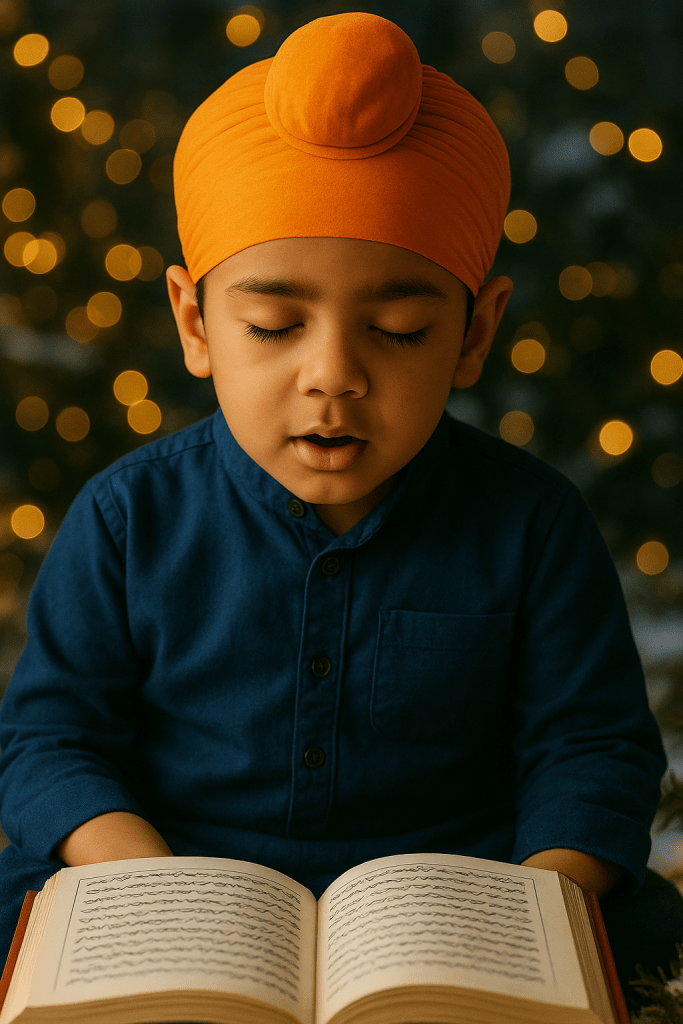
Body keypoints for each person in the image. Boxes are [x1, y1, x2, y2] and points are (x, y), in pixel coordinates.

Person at [0, 11, 681, 1013]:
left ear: (471, 332)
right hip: (171, 891)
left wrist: (536, 908)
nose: (331, 377)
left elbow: (592, 745)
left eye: (398, 331)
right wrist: (143, 879)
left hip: (453, 909)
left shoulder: (530, 523)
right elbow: (49, 736)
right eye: (274, 326)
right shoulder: (127, 516)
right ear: (194, 323)